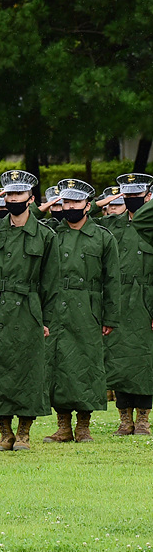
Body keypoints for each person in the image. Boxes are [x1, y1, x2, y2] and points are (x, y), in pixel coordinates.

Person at [0, 170, 60, 450]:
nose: (12, 199)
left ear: (31, 199)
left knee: (28, 369)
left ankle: (23, 432)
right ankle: (4, 432)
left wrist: (47, 319)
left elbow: (52, 282)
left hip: (29, 308)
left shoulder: (45, 236)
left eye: (18, 194)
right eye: (8, 194)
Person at [40, 179, 120, 443]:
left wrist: (109, 317)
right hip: (56, 307)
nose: (70, 207)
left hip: (88, 308)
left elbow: (112, 281)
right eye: (66, 202)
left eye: (75, 202)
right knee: (58, 364)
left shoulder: (103, 237)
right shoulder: (52, 233)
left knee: (86, 364)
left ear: (88, 205)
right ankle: (63, 425)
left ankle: (84, 426)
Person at [102, 175, 153, 435]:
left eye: (137, 194)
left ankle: (143, 419)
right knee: (118, 360)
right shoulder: (111, 225)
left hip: (146, 299)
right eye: (127, 195)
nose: (132, 199)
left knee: (144, 361)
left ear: (148, 196)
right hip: (118, 299)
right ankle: (124, 419)